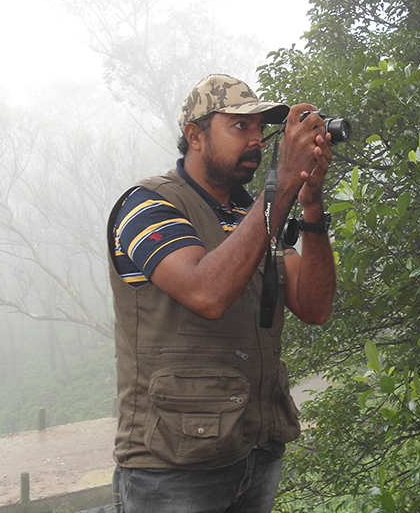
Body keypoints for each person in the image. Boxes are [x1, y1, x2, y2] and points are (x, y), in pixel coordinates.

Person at [107, 73, 336, 513]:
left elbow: (315, 306)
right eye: (239, 127)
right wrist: (281, 187)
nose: (257, 140)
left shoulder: (252, 213)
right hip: (172, 468)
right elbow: (205, 293)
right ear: (194, 135)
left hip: (255, 451)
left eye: (260, 128)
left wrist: (309, 203)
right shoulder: (147, 205)